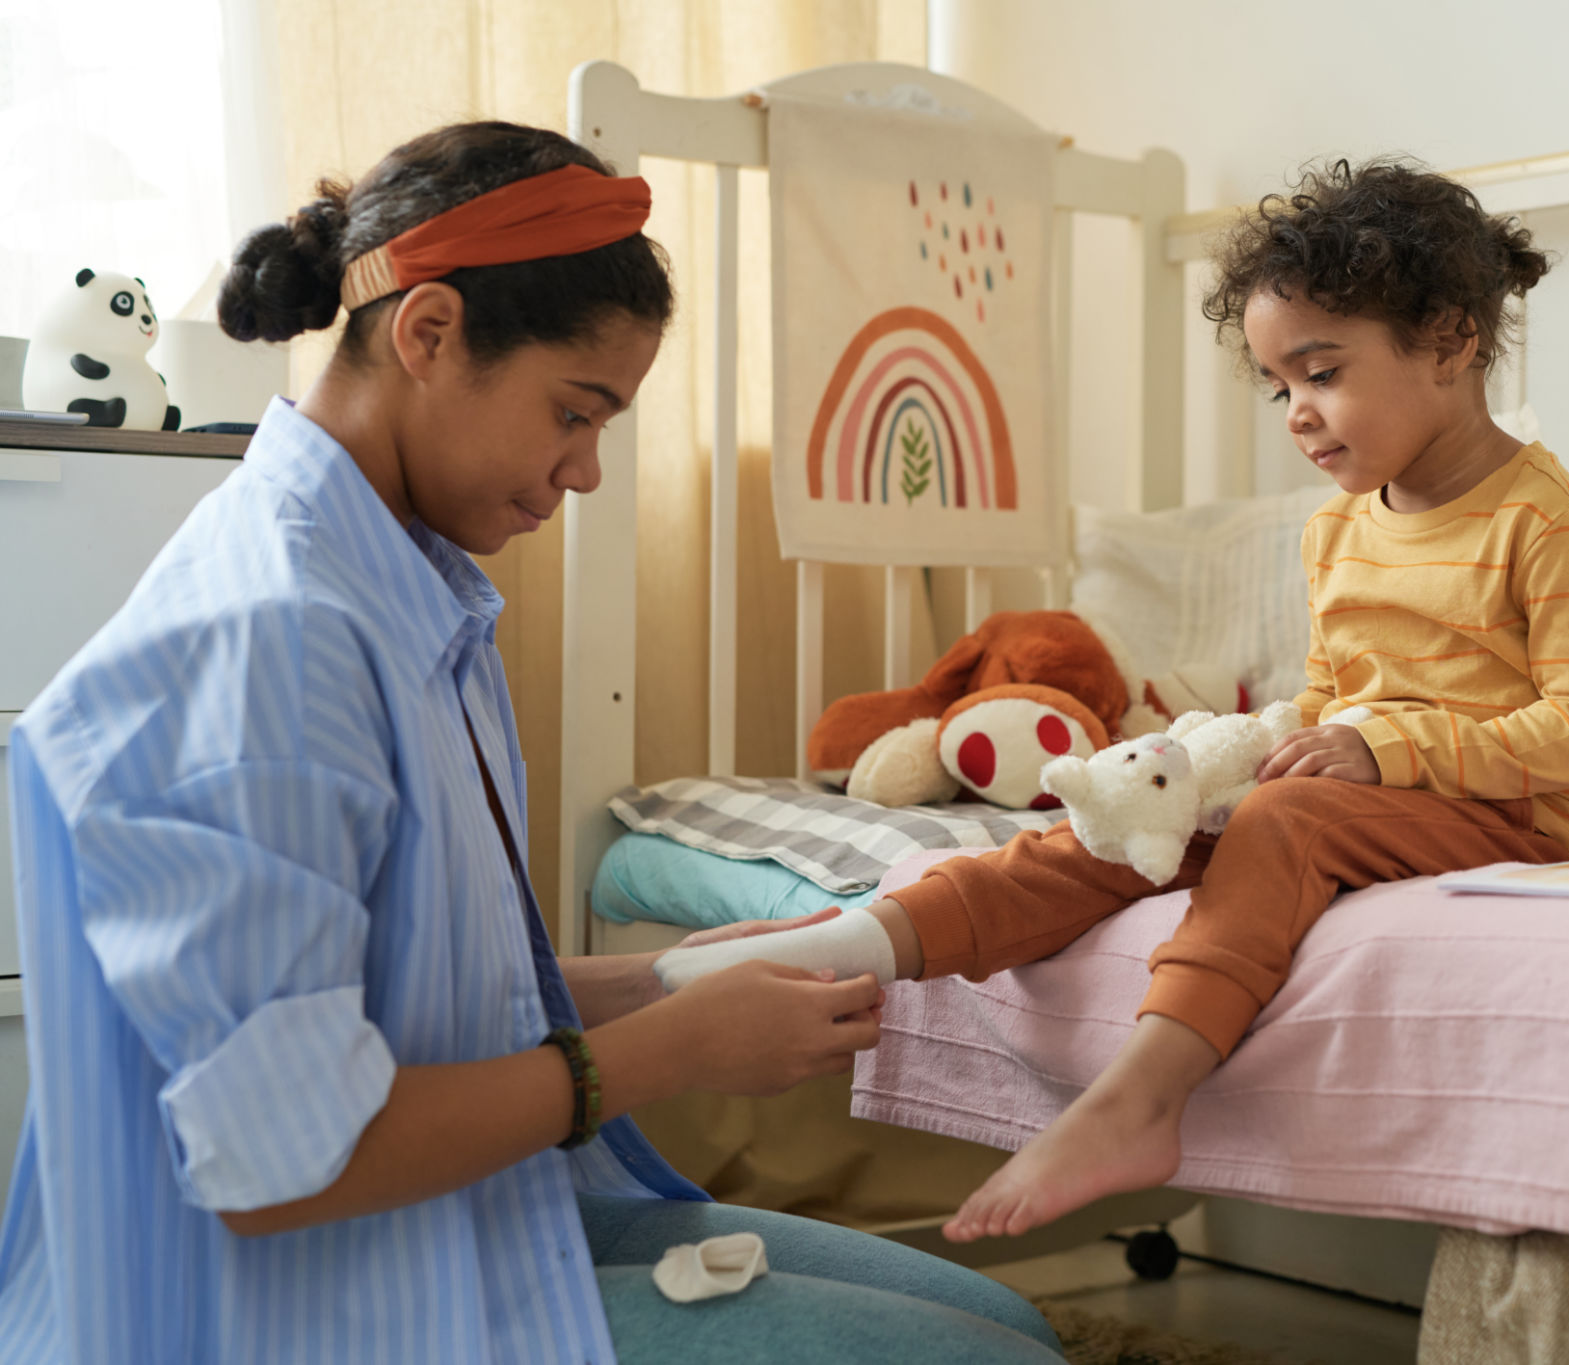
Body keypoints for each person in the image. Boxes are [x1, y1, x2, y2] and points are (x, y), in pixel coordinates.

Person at [0, 122, 1063, 1365]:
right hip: (282, 1299)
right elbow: (276, 1162)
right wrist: (664, 1052)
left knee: (1001, 1320)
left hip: (431, 1211)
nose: (588, 470)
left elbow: (407, 991)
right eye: (575, 410)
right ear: (429, 332)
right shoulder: (272, 641)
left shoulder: (401, 589)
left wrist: (669, 978)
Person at [655, 157, 1569, 1245]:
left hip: (1507, 824)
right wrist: (1236, 756)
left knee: (1281, 818)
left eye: (1319, 373)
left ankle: (1140, 1100)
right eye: (1279, 387)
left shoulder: (1547, 528)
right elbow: (1330, 697)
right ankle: (858, 942)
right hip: (1366, 803)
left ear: (1451, 342)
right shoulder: (1339, 529)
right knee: (1122, 824)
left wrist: (1380, 754)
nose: (1296, 415)